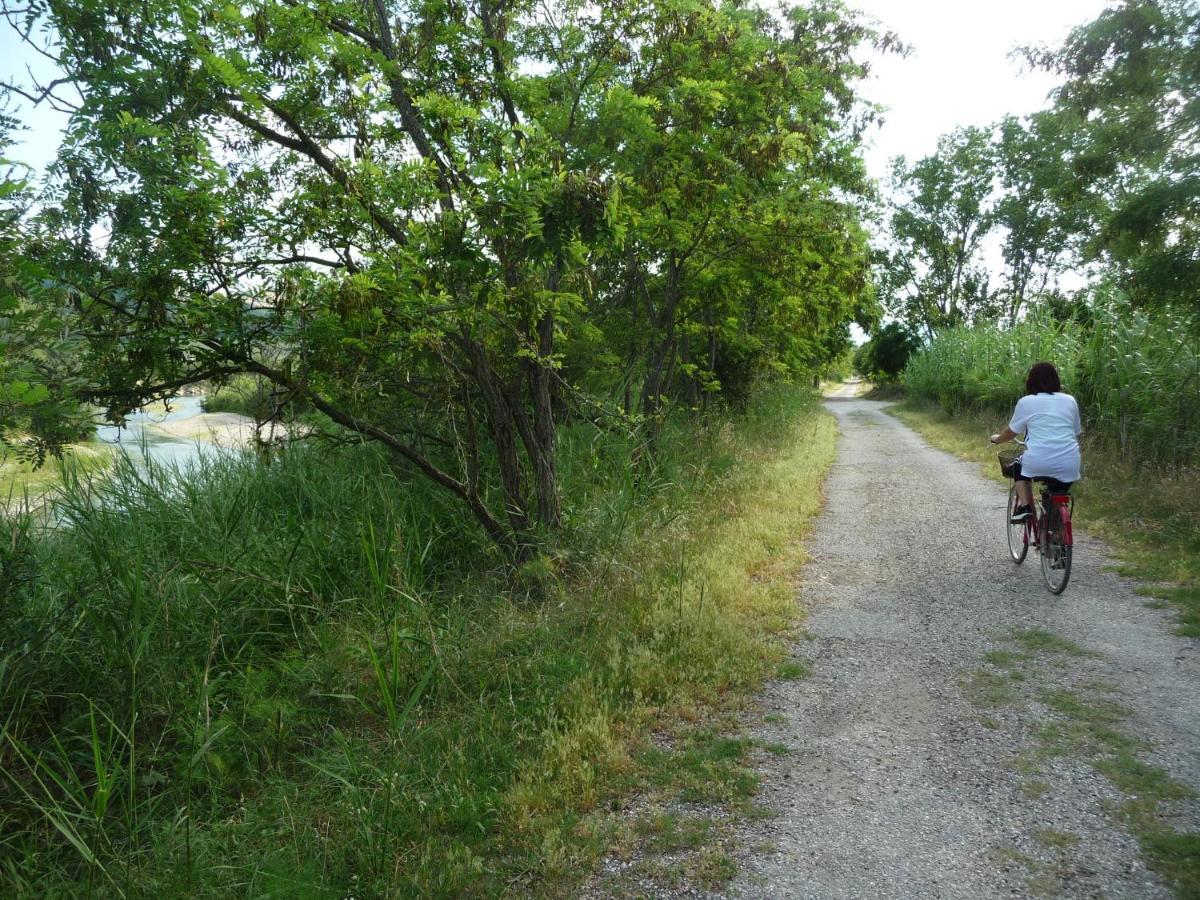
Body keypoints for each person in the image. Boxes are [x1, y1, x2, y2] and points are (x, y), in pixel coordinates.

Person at [989, 362, 1082, 523]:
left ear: (1031, 381)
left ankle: (1025, 508)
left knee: (1017, 466)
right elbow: (1075, 432)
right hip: (1070, 462)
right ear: (1056, 380)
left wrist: (997, 439)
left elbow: (1011, 432)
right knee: (1057, 492)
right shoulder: (1070, 400)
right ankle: (1057, 532)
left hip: (1038, 460)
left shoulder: (1027, 402)